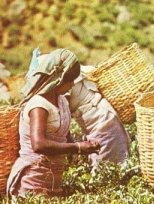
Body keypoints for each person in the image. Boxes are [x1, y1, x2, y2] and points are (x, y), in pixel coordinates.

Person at [7, 48, 100, 197]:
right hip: (32, 181)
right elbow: (39, 144)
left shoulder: (61, 100)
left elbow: (63, 132)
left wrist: (83, 145)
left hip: (53, 180)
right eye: (69, 81)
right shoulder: (39, 105)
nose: (71, 85)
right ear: (58, 80)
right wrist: (77, 148)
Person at [68, 65, 130, 170]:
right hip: (94, 120)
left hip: (102, 120)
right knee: (103, 164)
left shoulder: (65, 79)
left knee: (108, 167)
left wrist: (72, 148)